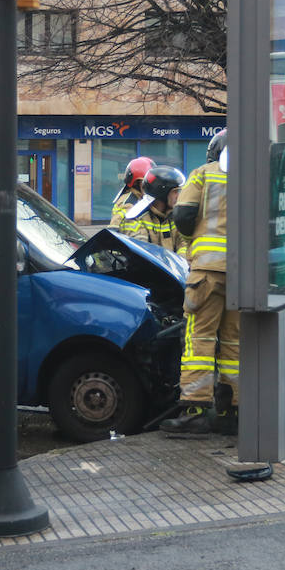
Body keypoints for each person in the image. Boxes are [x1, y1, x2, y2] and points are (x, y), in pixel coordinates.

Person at [161, 130, 241, 436]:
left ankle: (194, 410)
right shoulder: (254, 176)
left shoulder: (203, 175)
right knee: (234, 342)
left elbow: (182, 214)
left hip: (208, 272)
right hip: (243, 274)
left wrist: (196, 238)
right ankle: (230, 410)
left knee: (199, 340)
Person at [119, 164, 188, 256]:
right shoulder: (135, 219)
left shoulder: (175, 216)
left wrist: (181, 260)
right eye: (175, 192)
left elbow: (184, 243)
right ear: (162, 193)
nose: (178, 196)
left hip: (173, 269)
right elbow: (141, 254)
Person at [109, 156, 154, 227]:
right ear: (136, 183)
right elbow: (114, 228)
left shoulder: (142, 199)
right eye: (146, 182)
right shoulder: (128, 203)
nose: (150, 186)